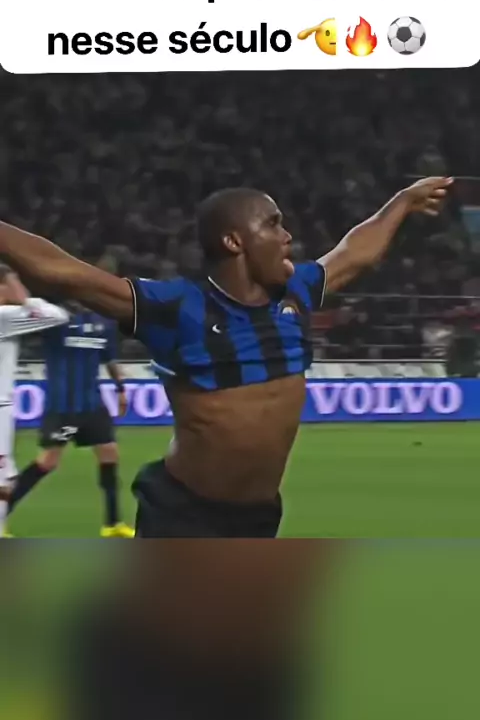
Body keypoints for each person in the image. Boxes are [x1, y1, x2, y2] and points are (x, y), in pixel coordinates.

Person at [0, 177, 453, 537]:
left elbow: (355, 253)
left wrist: (402, 202)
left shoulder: (296, 291)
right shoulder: (179, 307)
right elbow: (64, 272)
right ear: (235, 242)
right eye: (272, 225)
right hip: (183, 516)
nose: (287, 236)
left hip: (259, 517)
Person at [6, 301, 134, 537]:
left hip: (92, 404)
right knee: (48, 461)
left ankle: (113, 523)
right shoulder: (56, 320)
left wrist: (121, 389)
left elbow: (110, 360)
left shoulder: (103, 323)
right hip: (62, 407)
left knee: (109, 453)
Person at [0, 266, 70, 537]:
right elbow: (58, 316)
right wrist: (23, 295)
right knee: (3, 479)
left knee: (7, 478)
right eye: (10, 283)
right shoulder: (5, 318)